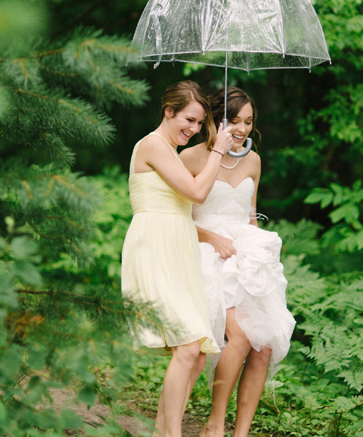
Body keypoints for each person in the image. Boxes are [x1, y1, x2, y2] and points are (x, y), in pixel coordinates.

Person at [121, 80, 235, 437]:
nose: (194, 129)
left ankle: (160, 430)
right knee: (187, 347)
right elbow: (198, 193)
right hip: (154, 248)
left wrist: (213, 236)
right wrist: (217, 151)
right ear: (168, 111)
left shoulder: (170, 151)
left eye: (200, 124)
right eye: (188, 119)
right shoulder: (153, 145)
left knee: (197, 353)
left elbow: (183, 209)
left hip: (178, 249)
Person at [180, 87, 296, 437]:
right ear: (215, 119)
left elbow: (249, 216)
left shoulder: (253, 161)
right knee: (242, 335)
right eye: (235, 120)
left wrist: (263, 258)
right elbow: (178, 219)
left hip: (245, 256)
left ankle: (240, 432)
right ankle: (214, 424)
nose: (243, 129)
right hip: (207, 254)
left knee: (263, 345)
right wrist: (214, 239)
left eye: (249, 121)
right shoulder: (191, 158)